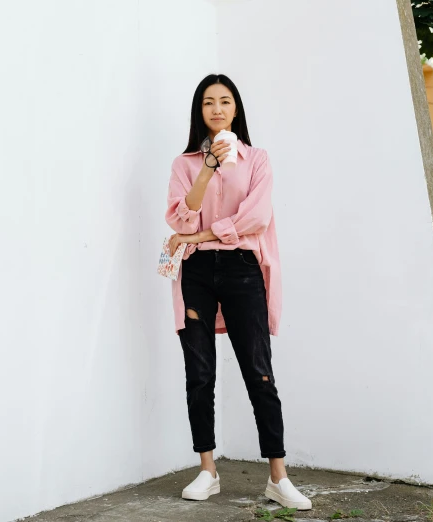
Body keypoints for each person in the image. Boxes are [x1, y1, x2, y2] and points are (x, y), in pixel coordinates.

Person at [165, 74, 311, 510]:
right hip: (195, 274)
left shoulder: (257, 159)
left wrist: (205, 234)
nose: (216, 109)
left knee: (258, 373)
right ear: (199, 111)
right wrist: (207, 168)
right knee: (200, 374)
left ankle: (278, 477)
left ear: (236, 108)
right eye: (208, 102)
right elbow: (179, 221)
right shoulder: (185, 164)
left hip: (244, 269)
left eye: (224, 101)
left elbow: (255, 219)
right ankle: (207, 469)